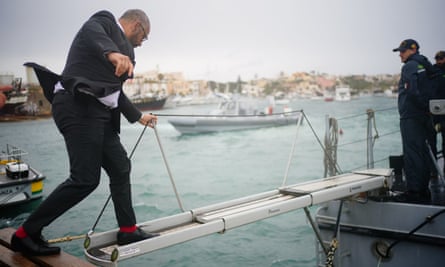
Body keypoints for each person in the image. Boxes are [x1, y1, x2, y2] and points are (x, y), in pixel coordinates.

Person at [11, 9, 159, 256]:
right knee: (85, 179)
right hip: (76, 106)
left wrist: (139, 116)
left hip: (98, 114)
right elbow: (92, 33)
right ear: (136, 25)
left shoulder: (127, 52)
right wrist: (111, 53)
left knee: (121, 166)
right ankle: (25, 234)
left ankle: (128, 229)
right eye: (145, 37)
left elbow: (114, 92)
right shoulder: (103, 22)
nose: (143, 43)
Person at [392, 39, 435, 204]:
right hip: (424, 115)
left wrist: (422, 106)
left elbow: (411, 91)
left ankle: (414, 192)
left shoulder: (409, 66)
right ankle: (424, 189)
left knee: (412, 154)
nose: (400, 55)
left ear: (412, 50)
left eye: (402, 51)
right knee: (423, 152)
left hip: (411, 116)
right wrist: (428, 108)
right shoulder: (425, 64)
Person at [432, 51, 445, 169]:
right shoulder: (432, 71)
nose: (438, 61)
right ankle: (433, 168)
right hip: (434, 109)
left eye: (440, 58)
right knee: (431, 140)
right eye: (436, 59)